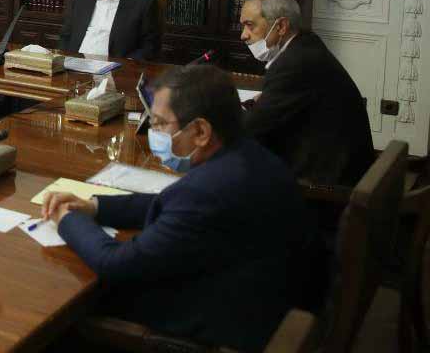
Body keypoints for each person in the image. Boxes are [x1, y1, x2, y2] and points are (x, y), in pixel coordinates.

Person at [43, 65, 312, 352]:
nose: (152, 132)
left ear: (201, 131)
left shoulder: (205, 192)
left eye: (159, 123)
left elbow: (115, 264)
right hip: (263, 303)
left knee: (58, 307)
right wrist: (95, 206)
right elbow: (167, 202)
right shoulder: (246, 155)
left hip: (209, 330)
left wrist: (67, 218)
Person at [239, 0, 375, 188]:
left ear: (281, 26)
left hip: (328, 188)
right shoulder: (306, 43)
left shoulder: (295, 64)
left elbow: (250, 129)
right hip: (343, 167)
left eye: (250, 25)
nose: (243, 35)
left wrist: (222, 116)